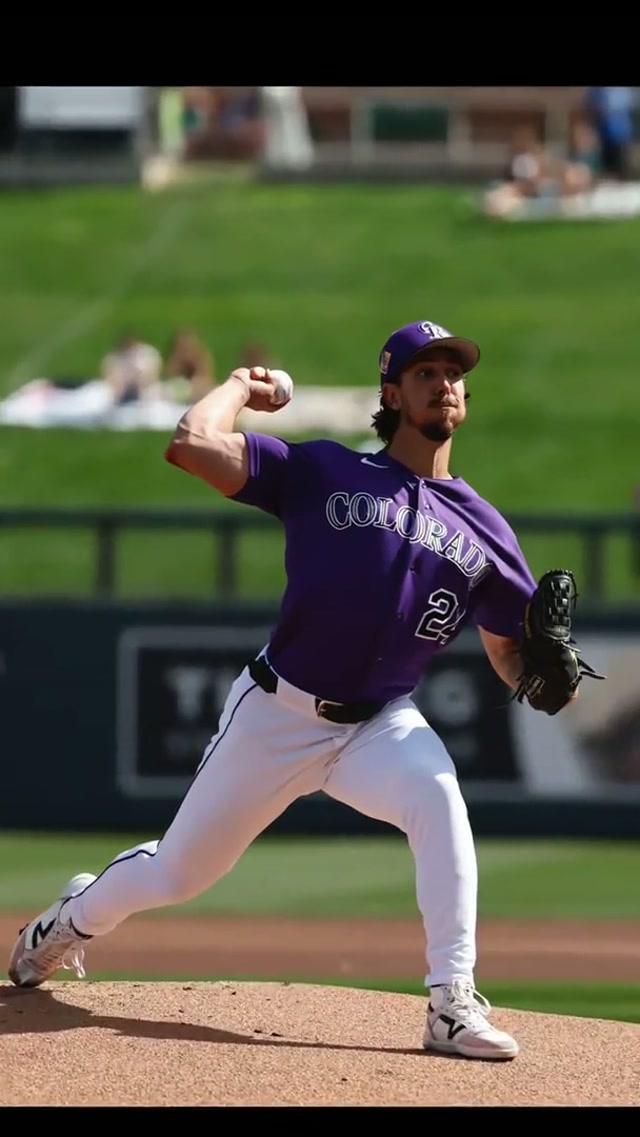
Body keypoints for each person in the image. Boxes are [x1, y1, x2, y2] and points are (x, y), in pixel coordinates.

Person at [10, 321, 560, 1060]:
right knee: (179, 870)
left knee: (439, 798)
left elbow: (507, 648)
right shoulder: (326, 471)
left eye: (454, 371)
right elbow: (190, 444)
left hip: (379, 725)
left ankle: (450, 1003)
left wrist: (540, 676)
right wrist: (239, 385)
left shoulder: (486, 529)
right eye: (425, 371)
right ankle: (66, 923)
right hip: (278, 710)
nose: (445, 383)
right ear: (392, 392)